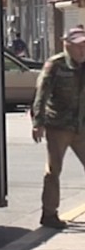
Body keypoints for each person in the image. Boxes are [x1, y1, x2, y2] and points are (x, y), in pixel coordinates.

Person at [31, 26, 85, 229]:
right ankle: (49, 214)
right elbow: (41, 95)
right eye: (79, 46)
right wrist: (38, 123)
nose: (83, 50)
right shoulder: (55, 65)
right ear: (67, 45)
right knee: (53, 171)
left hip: (81, 126)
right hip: (59, 126)